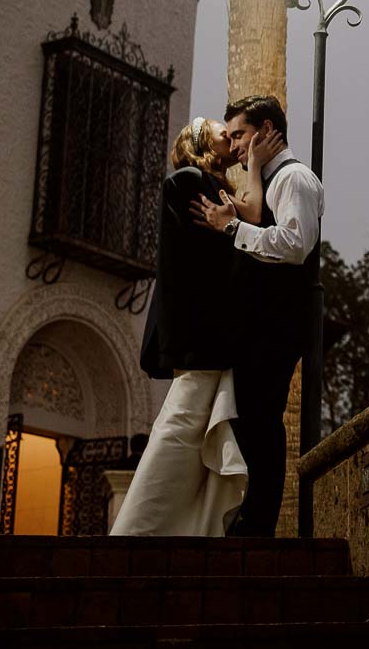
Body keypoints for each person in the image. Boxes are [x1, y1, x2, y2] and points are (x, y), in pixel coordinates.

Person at [113, 116, 274, 535]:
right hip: (200, 334)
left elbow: (248, 217)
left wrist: (250, 171)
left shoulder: (214, 187)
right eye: (224, 131)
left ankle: (174, 526)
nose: (230, 135)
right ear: (201, 140)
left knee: (193, 426)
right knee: (183, 425)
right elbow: (249, 220)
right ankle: (136, 530)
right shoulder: (188, 180)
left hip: (213, 335)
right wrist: (253, 170)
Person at [192, 94, 324, 537]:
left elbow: (293, 244)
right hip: (258, 324)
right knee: (250, 418)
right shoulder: (263, 181)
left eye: (240, 135)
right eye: (229, 137)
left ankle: (260, 523)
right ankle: (253, 517)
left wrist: (231, 228)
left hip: (279, 325)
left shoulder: (295, 179)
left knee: (262, 421)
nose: (234, 145)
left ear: (267, 130)